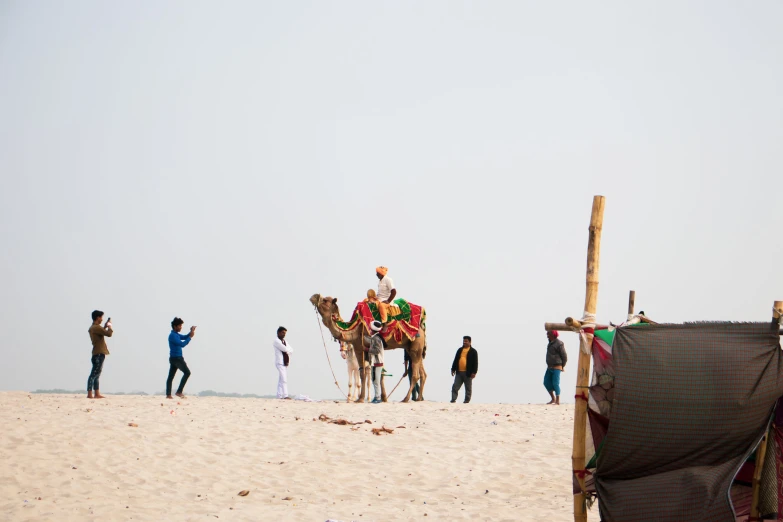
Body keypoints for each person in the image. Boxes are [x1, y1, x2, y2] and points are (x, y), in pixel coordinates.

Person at [167, 317, 196, 399]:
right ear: (175, 326)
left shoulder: (175, 334)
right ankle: (179, 392)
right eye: (179, 326)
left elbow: (184, 337)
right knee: (187, 373)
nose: (181, 327)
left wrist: (191, 332)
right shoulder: (173, 336)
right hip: (177, 359)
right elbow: (182, 344)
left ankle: (168, 395)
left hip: (173, 358)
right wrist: (190, 337)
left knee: (170, 377)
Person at [87, 310, 113, 399]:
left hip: (96, 353)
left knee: (96, 374)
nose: (102, 319)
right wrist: (109, 326)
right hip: (99, 353)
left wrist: (105, 327)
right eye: (101, 317)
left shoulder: (93, 328)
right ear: (97, 317)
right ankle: (90, 394)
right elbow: (109, 334)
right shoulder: (96, 327)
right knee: (94, 374)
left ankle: (96, 393)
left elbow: (101, 332)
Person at [451, 336, 478, 403]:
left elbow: (475, 363)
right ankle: (453, 399)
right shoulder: (459, 350)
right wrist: (453, 369)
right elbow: (455, 360)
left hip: (468, 373)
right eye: (464, 341)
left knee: (468, 388)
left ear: (469, 342)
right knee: (455, 386)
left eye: (466, 341)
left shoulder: (473, 351)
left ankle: (466, 400)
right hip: (459, 372)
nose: (464, 342)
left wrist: (474, 372)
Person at [364, 320, 385, 404]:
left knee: (376, 380)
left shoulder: (376, 338)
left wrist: (366, 349)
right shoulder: (375, 337)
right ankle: (377, 396)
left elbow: (377, 350)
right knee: (374, 379)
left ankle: (378, 397)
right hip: (375, 362)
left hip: (377, 362)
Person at [544, 330, 567, 405]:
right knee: (546, 382)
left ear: (553, 335)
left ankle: (557, 400)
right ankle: (553, 398)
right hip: (549, 366)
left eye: (548, 334)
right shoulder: (550, 343)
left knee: (555, 383)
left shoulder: (559, 343)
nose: (547, 335)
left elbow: (564, 356)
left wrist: (562, 366)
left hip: (557, 366)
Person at [273, 326, 293, 399]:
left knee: (281, 380)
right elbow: (284, 349)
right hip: (280, 362)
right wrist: (287, 350)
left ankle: (279, 395)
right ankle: (285, 395)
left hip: (285, 362)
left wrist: (287, 350)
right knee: (284, 379)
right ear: (278, 333)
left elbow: (291, 350)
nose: (284, 334)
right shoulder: (276, 341)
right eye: (282, 333)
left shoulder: (285, 342)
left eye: (285, 333)